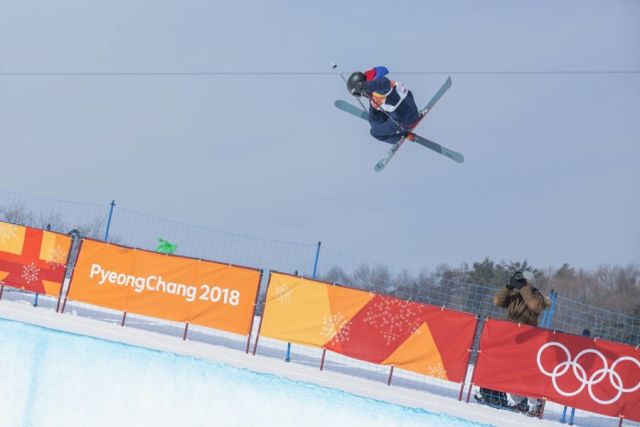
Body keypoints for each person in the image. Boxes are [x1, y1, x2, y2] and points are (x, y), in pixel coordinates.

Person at [492, 270, 551, 417]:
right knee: (510, 372)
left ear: (529, 283)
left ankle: (535, 405)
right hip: (511, 340)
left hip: (528, 342)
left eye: (524, 281)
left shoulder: (538, 297)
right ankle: (519, 402)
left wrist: (524, 287)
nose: (521, 283)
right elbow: (497, 301)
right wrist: (508, 286)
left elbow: (534, 306)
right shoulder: (515, 297)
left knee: (526, 374)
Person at [346, 66, 420, 144]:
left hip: (405, 121)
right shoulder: (375, 95)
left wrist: (365, 86)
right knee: (376, 121)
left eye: (361, 93)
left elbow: (382, 84)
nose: (363, 95)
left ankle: (400, 137)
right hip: (410, 112)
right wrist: (375, 123)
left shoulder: (381, 87)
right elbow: (373, 118)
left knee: (374, 133)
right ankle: (398, 130)